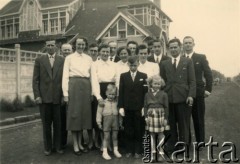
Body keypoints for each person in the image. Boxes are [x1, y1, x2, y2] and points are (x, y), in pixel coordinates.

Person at [160, 38, 196, 154]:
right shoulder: (164, 63)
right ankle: (171, 146)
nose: (173, 49)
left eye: (175, 47)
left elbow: (192, 81)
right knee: (170, 124)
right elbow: (162, 81)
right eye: (171, 48)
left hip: (183, 98)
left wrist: (191, 95)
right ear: (169, 50)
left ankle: (183, 148)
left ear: (180, 48)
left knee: (183, 124)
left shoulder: (187, 61)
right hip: (169, 98)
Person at [32, 40, 64, 155]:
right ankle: (47, 147)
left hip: (57, 98)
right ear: (46, 47)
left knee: (58, 124)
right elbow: (35, 80)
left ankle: (58, 146)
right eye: (48, 45)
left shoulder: (62, 60)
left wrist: (63, 96)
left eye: (52, 45)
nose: (50, 47)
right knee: (46, 125)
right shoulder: (39, 60)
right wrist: (37, 96)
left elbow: (64, 80)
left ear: (56, 46)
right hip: (44, 99)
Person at [62, 37, 92, 155]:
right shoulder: (69, 58)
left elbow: (92, 76)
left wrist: (91, 92)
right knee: (75, 116)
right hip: (73, 86)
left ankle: (80, 143)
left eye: (83, 44)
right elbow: (65, 76)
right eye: (78, 44)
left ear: (85, 45)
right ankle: (75, 144)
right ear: (75, 45)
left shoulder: (89, 58)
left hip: (85, 86)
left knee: (83, 116)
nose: (81, 46)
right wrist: (65, 94)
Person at [183, 36, 213, 144]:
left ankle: (200, 142)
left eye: (190, 43)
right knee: (185, 120)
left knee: (198, 119)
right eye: (185, 43)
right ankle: (187, 142)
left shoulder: (201, 57)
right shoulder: (181, 58)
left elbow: (208, 74)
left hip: (198, 93)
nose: (188, 45)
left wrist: (208, 89)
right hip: (185, 94)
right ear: (183, 45)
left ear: (193, 44)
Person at [118, 56, 148, 159]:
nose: (133, 67)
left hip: (139, 108)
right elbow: (121, 92)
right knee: (128, 130)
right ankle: (129, 150)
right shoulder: (123, 76)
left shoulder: (143, 76)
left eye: (135, 65)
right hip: (127, 108)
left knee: (139, 129)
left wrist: (144, 107)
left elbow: (145, 93)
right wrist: (121, 106)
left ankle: (138, 150)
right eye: (131, 65)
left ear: (138, 64)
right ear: (128, 65)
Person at [91, 43, 117, 151]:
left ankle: (110, 143)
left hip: (112, 90)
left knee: (111, 116)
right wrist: (98, 97)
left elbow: (117, 78)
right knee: (101, 117)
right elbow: (94, 81)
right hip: (100, 90)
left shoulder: (113, 64)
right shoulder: (95, 64)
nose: (105, 53)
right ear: (99, 52)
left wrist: (116, 94)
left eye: (107, 51)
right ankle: (101, 142)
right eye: (103, 51)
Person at [144, 75, 170, 162]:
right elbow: (145, 106)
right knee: (151, 134)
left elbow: (166, 107)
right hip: (151, 116)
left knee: (161, 134)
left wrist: (165, 118)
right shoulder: (147, 94)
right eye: (155, 84)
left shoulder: (164, 94)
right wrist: (146, 117)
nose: (157, 85)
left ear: (161, 84)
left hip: (160, 115)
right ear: (151, 84)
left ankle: (161, 153)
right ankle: (153, 154)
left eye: (159, 84)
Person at [96, 84, 122, 160]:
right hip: (106, 121)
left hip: (115, 121)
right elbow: (99, 113)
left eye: (113, 94)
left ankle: (115, 150)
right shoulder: (102, 102)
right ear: (106, 93)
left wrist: (120, 121)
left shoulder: (117, 103)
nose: (111, 96)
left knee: (115, 137)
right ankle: (104, 152)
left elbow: (120, 113)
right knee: (106, 137)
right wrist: (99, 122)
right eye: (110, 94)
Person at [60, 43, 73, 149]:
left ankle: (79, 141)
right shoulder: (59, 62)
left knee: (75, 117)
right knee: (62, 119)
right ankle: (62, 142)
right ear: (61, 51)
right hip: (60, 95)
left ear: (71, 50)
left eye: (68, 50)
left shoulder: (73, 62)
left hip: (73, 93)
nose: (66, 52)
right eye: (65, 50)